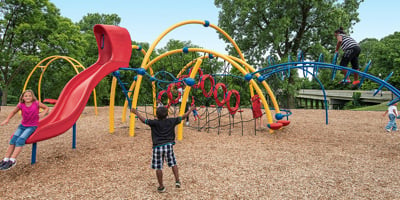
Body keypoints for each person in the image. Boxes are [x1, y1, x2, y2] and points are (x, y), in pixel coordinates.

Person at [131, 104, 195, 193]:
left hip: (157, 147)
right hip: (168, 146)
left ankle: (161, 186)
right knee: (173, 163)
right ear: (167, 115)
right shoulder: (171, 121)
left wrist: (136, 112)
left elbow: (144, 120)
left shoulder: (154, 123)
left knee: (158, 167)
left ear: (157, 116)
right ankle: (177, 181)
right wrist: (190, 110)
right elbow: (183, 117)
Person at [0, 90, 49, 170]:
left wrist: (43, 113)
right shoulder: (21, 105)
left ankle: (12, 160)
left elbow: (46, 108)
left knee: (20, 140)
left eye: (29, 96)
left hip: (32, 126)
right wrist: (7, 119)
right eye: (26, 96)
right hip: (22, 126)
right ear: (22, 97)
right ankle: (5, 159)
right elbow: (13, 112)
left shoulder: (36, 103)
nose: (28, 97)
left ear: (32, 97)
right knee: (13, 140)